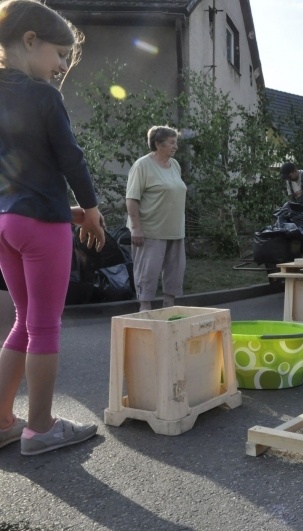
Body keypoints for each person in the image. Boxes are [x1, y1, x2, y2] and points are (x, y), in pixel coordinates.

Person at [0, 0, 106, 455]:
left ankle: (3, 420)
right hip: (40, 225)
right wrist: (92, 208)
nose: (62, 65)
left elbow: (23, 170)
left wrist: (65, 212)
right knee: (44, 324)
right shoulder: (44, 95)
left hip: (6, 221)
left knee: (24, 321)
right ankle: (41, 427)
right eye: (59, 54)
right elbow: (69, 158)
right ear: (30, 41)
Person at [126, 126, 187, 311]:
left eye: (175, 142)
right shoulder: (142, 165)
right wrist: (136, 228)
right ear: (158, 144)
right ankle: (145, 312)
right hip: (150, 231)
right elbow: (131, 198)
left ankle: (169, 310)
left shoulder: (175, 165)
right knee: (147, 274)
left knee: (174, 274)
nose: (175, 146)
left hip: (175, 231)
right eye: (172, 142)